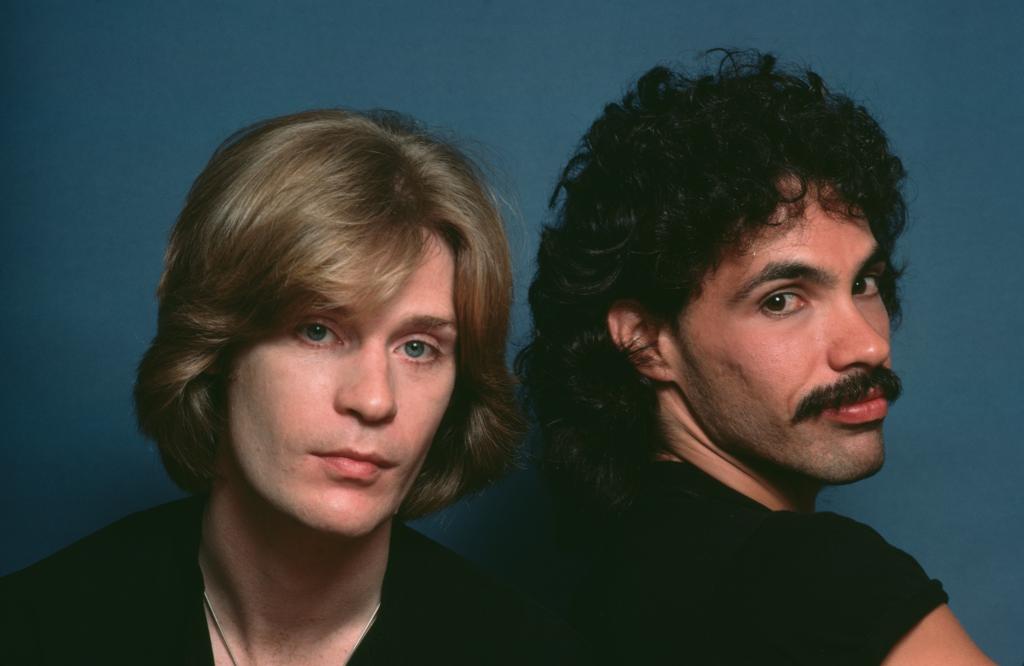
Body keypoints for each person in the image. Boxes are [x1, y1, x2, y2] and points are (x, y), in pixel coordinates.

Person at [1, 109, 577, 664]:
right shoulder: (36, 631)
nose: (375, 400)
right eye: (318, 330)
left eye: (417, 348)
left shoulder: (526, 652)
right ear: (217, 350)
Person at [518, 51, 993, 664]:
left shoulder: (615, 583)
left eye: (863, 282)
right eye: (782, 300)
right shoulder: (817, 573)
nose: (869, 346)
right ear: (644, 340)